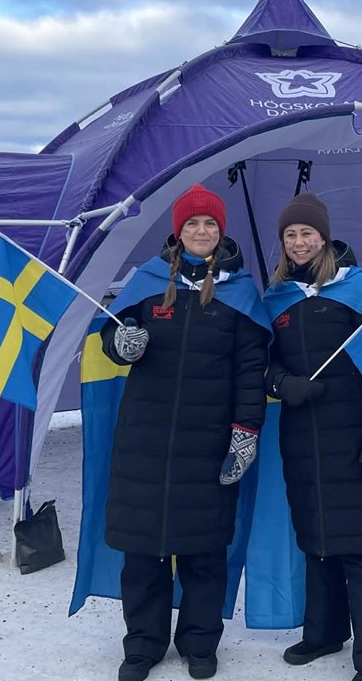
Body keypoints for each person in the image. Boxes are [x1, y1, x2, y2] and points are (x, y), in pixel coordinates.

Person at [99, 184, 270, 681]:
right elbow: (112, 329)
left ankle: (199, 641)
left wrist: (246, 432)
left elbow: (249, 371)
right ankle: (143, 644)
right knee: (143, 551)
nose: (201, 232)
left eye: (210, 224)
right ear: (178, 231)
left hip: (209, 442)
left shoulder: (239, 293)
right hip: (145, 441)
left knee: (204, 551)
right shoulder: (148, 283)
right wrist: (119, 342)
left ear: (222, 232)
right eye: (192, 224)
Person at [263, 193, 362, 681]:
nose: (299, 242)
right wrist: (282, 385)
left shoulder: (358, 290)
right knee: (317, 541)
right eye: (290, 235)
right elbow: (264, 364)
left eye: (307, 233)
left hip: (355, 436)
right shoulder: (275, 298)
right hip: (303, 437)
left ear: (324, 237)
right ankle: (323, 632)